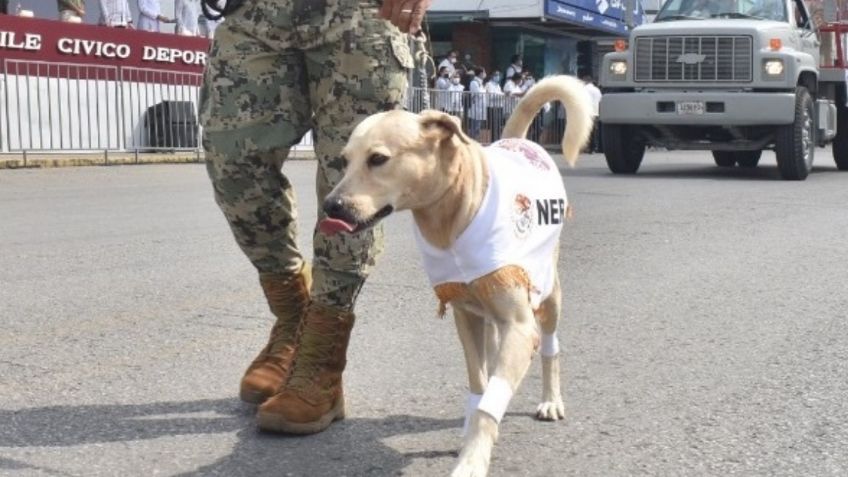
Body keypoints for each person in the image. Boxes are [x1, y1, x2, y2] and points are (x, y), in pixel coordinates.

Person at [200, 0, 423, 435]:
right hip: (257, 12)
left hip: (361, 12)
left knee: (356, 181)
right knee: (233, 158)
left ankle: (320, 362)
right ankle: (293, 325)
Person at [582, 74, 603, 153]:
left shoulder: (583, 89)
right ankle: (594, 147)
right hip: (595, 111)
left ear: (585, 81)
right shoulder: (596, 90)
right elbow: (600, 100)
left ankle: (587, 147)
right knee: (594, 130)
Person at [468, 67, 487, 141]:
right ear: (480, 73)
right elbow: (478, 93)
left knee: (478, 126)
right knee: (474, 126)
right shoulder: (474, 82)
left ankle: (475, 139)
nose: (485, 74)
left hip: (481, 107)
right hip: (476, 106)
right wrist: (485, 91)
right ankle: (472, 140)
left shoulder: (480, 83)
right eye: (484, 72)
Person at [485, 70, 505, 141]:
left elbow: (500, 94)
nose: (498, 77)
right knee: (494, 126)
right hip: (492, 107)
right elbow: (491, 96)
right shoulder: (488, 84)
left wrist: (503, 95)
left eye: (498, 75)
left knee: (499, 126)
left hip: (499, 106)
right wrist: (502, 95)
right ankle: (494, 140)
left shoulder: (498, 85)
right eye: (496, 75)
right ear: (492, 76)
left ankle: (497, 140)